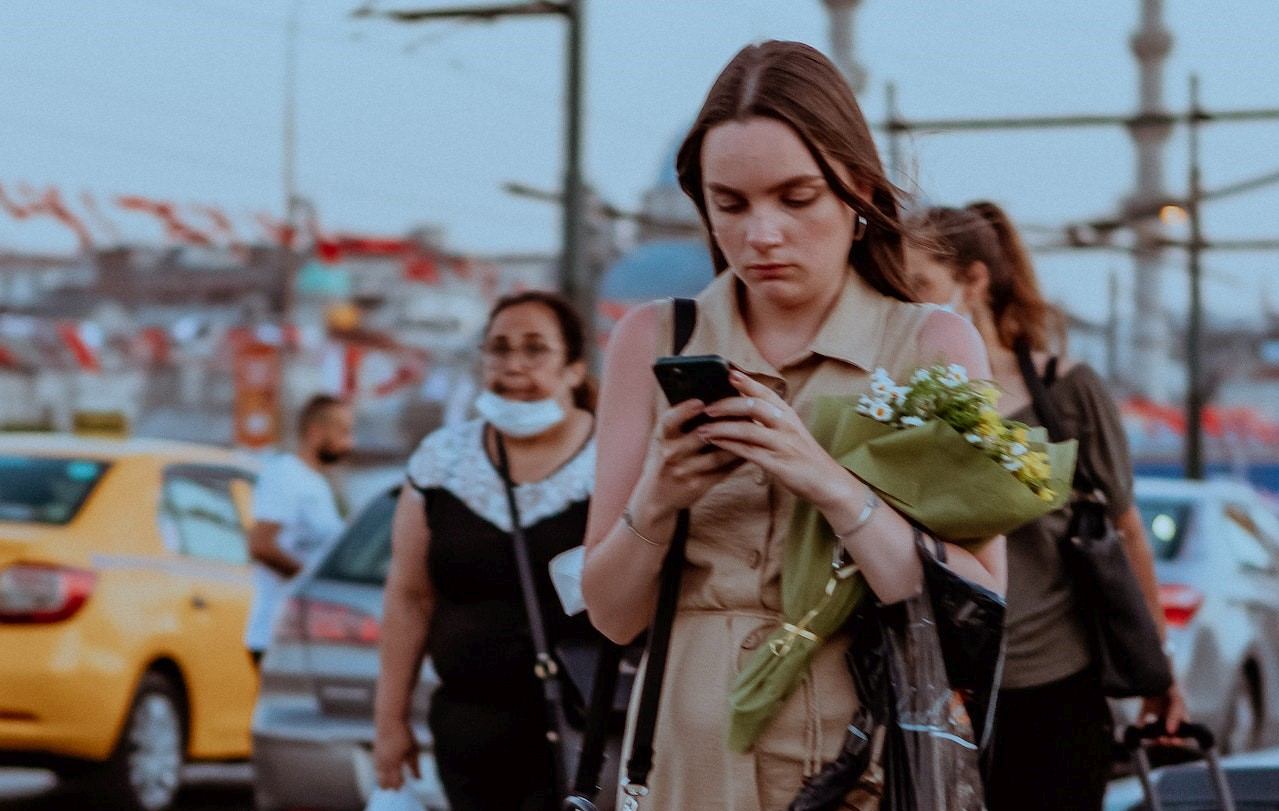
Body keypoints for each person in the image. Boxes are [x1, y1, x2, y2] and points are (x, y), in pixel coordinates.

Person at [581, 41, 1006, 809]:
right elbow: (611, 616)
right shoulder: (653, 338)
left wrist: (829, 483)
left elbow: (973, 609)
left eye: (796, 198)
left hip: (858, 767)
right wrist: (658, 498)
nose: (762, 234)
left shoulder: (931, 344)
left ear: (857, 191)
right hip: (685, 763)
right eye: (730, 204)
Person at [904, 203, 1186, 811]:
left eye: (920, 286)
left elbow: (1127, 531)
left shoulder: (1065, 390)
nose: (907, 305)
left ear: (973, 282)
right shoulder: (899, 402)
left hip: (1056, 689)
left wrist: (1157, 671)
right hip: (941, 691)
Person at [373, 291, 599, 811]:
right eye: (499, 348)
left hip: (586, 730)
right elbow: (409, 597)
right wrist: (389, 721)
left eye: (535, 349)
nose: (513, 365)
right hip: (469, 737)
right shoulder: (442, 460)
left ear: (574, 369)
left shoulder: (614, 459)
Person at [245, 394, 354, 667]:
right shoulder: (285, 474)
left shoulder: (317, 483)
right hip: (275, 633)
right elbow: (261, 544)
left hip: (304, 633)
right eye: (342, 432)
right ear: (315, 432)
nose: (349, 443)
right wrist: (312, 583)